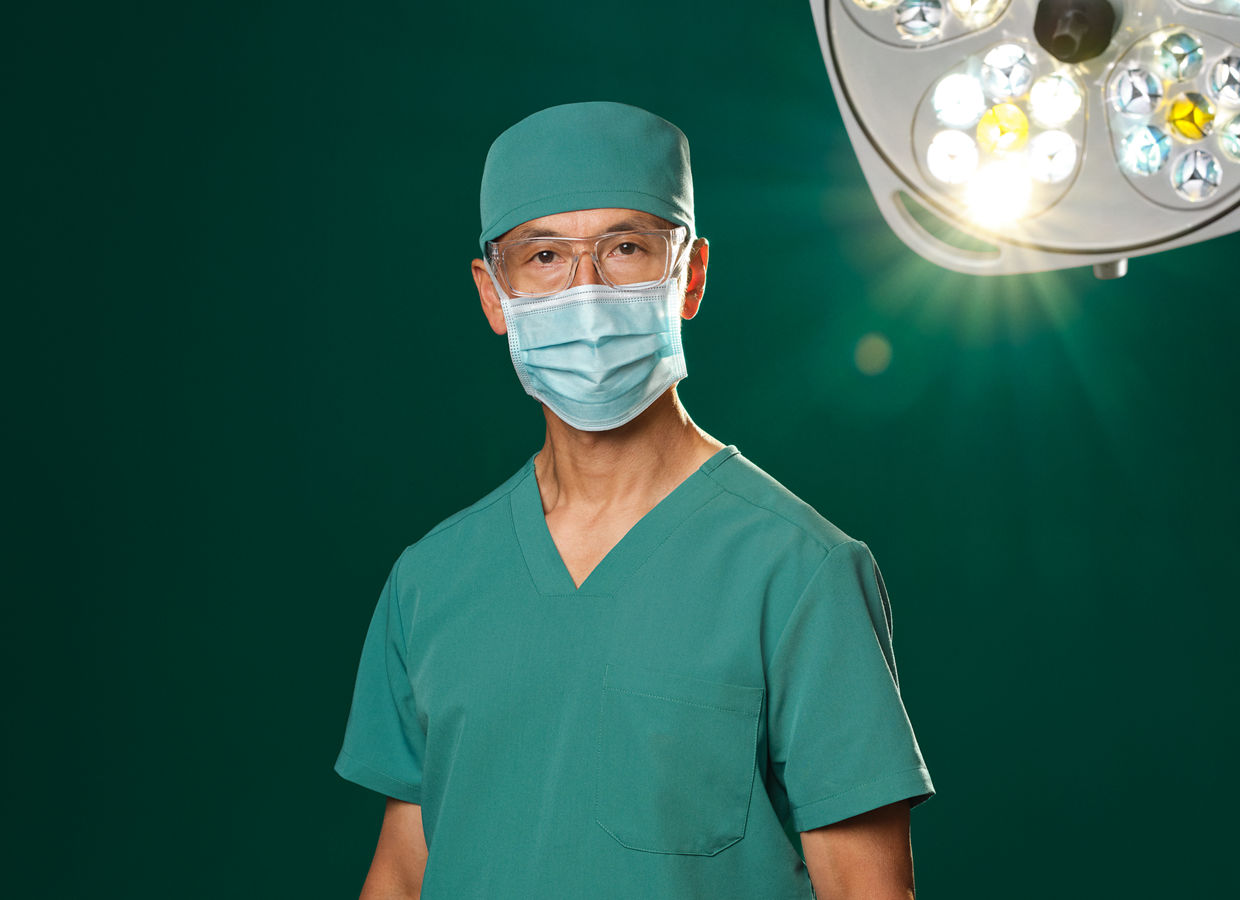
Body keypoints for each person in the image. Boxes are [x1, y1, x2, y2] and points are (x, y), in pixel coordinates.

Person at [335, 101, 934, 899]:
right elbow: (405, 870)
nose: (585, 293)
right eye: (543, 256)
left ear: (688, 276)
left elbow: (868, 889)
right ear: (493, 294)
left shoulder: (799, 571)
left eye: (625, 248)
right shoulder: (431, 581)